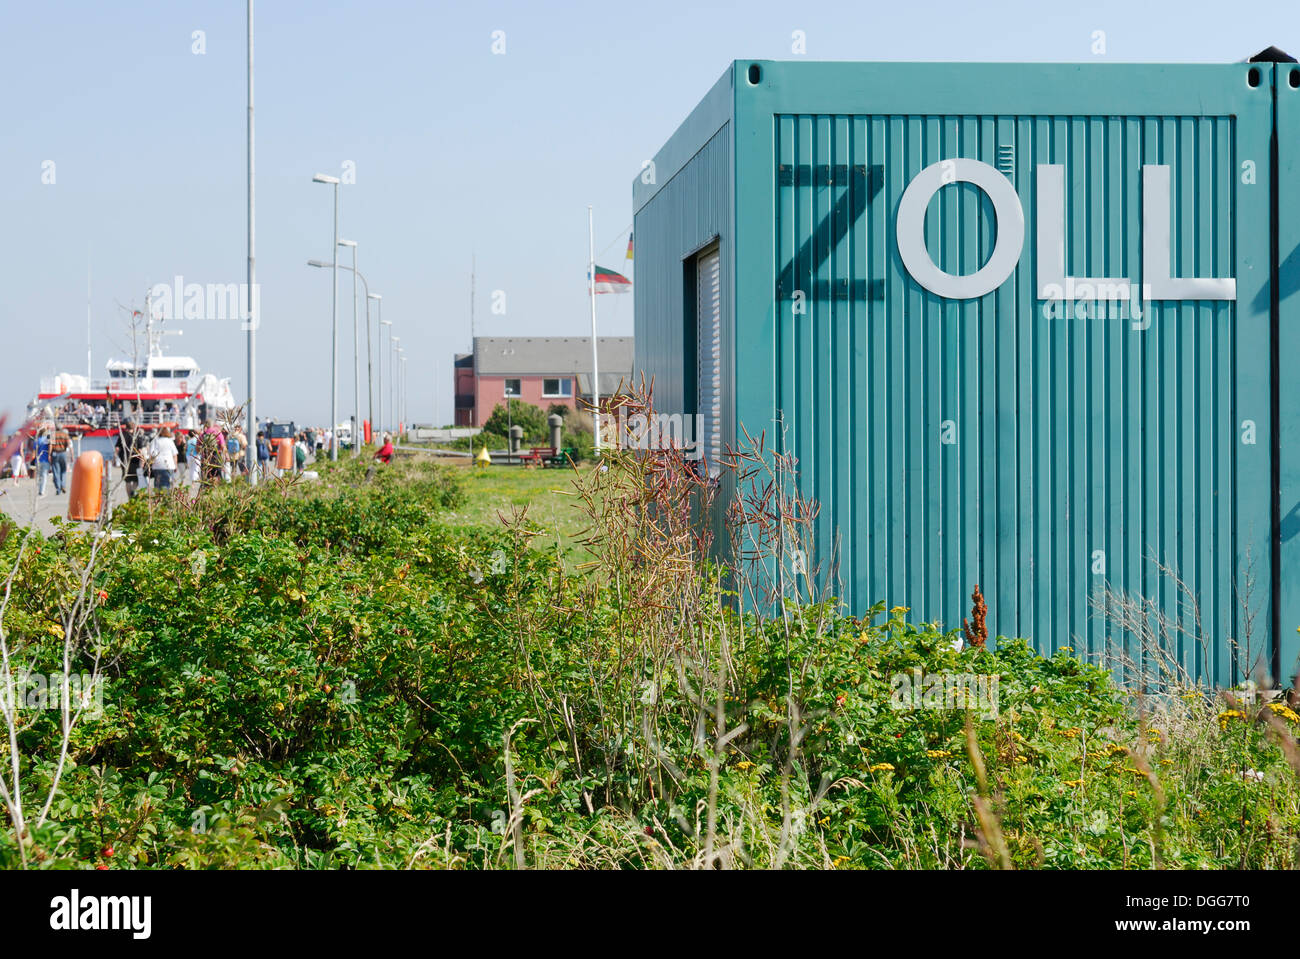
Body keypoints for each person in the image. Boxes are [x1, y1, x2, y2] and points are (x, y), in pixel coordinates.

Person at [115, 424, 145, 498]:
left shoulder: (122, 436)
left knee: (127, 480)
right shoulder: (137, 436)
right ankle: (133, 490)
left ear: (126, 428)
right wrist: (143, 461)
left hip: (124, 460)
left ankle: (129, 497)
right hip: (135, 460)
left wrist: (114, 459)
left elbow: (117, 448)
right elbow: (140, 450)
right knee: (136, 479)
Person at [198, 419, 226, 489]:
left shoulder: (202, 434)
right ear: (213, 425)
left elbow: (197, 448)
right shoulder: (218, 433)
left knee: (206, 476)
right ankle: (219, 490)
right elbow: (223, 447)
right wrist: (225, 455)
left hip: (205, 458)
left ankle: (206, 490)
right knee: (218, 475)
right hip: (216, 457)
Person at [50, 424, 71, 495]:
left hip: (55, 453)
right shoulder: (65, 435)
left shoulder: (52, 435)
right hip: (63, 453)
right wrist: (70, 455)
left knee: (56, 472)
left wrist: (49, 455)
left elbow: (50, 445)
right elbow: (68, 445)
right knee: (64, 471)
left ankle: (58, 488)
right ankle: (63, 485)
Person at [34, 429, 52, 496]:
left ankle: (39, 489)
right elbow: (50, 446)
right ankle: (42, 490)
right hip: (45, 459)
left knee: (39, 475)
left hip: (38, 460)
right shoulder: (47, 439)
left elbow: (35, 451)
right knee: (44, 475)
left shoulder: (37, 440)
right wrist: (50, 455)